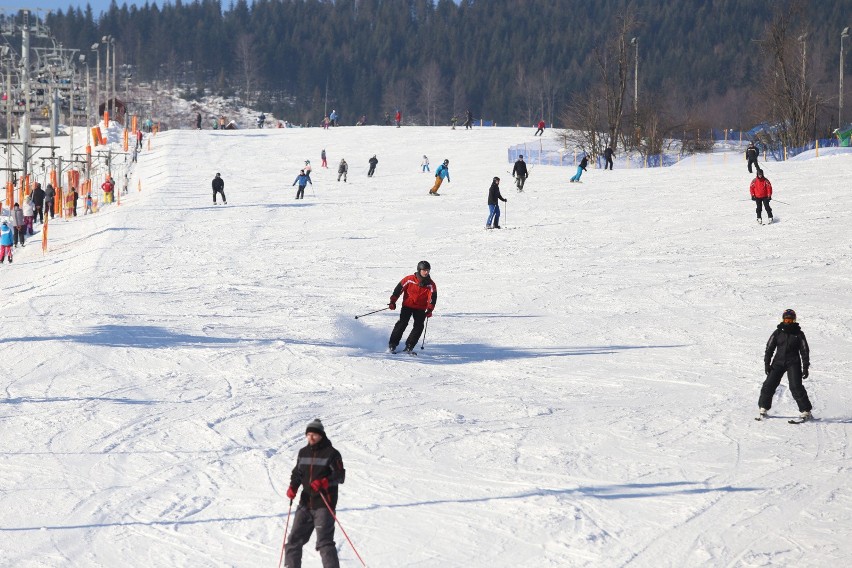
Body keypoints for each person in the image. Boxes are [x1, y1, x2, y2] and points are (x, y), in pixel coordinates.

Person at [283, 418, 346, 568]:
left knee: (324, 543)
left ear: (321, 435)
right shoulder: (303, 452)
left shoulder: (332, 453)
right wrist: (293, 487)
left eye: (314, 435)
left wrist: (324, 482)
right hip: (305, 504)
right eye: (308, 434)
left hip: (324, 505)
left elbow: (340, 476)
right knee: (293, 542)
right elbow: (297, 473)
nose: (311, 438)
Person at [758, 309, 812, 421]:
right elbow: (769, 348)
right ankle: (763, 408)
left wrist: (805, 367)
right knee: (769, 384)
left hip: (793, 363)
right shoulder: (777, 333)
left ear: (794, 320)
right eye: (786, 319)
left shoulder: (799, 334)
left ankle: (806, 411)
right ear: (783, 320)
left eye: (790, 320)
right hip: (778, 362)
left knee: (796, 386)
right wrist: (767, 363)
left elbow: (805, 351)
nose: (788, 322)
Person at [388, 260, 437, 354]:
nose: (426, 272)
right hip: (408, 305)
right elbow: (398, 289)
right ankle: (392, 344)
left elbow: (433, 297)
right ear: (419, 270)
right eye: (424, 270)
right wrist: (392, 302)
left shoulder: (431, 284)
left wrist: (430, 309)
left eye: (428, 270)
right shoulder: (409, 279)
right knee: (402, 323)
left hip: (420, 308)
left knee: (419, 326)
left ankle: (409, 346)